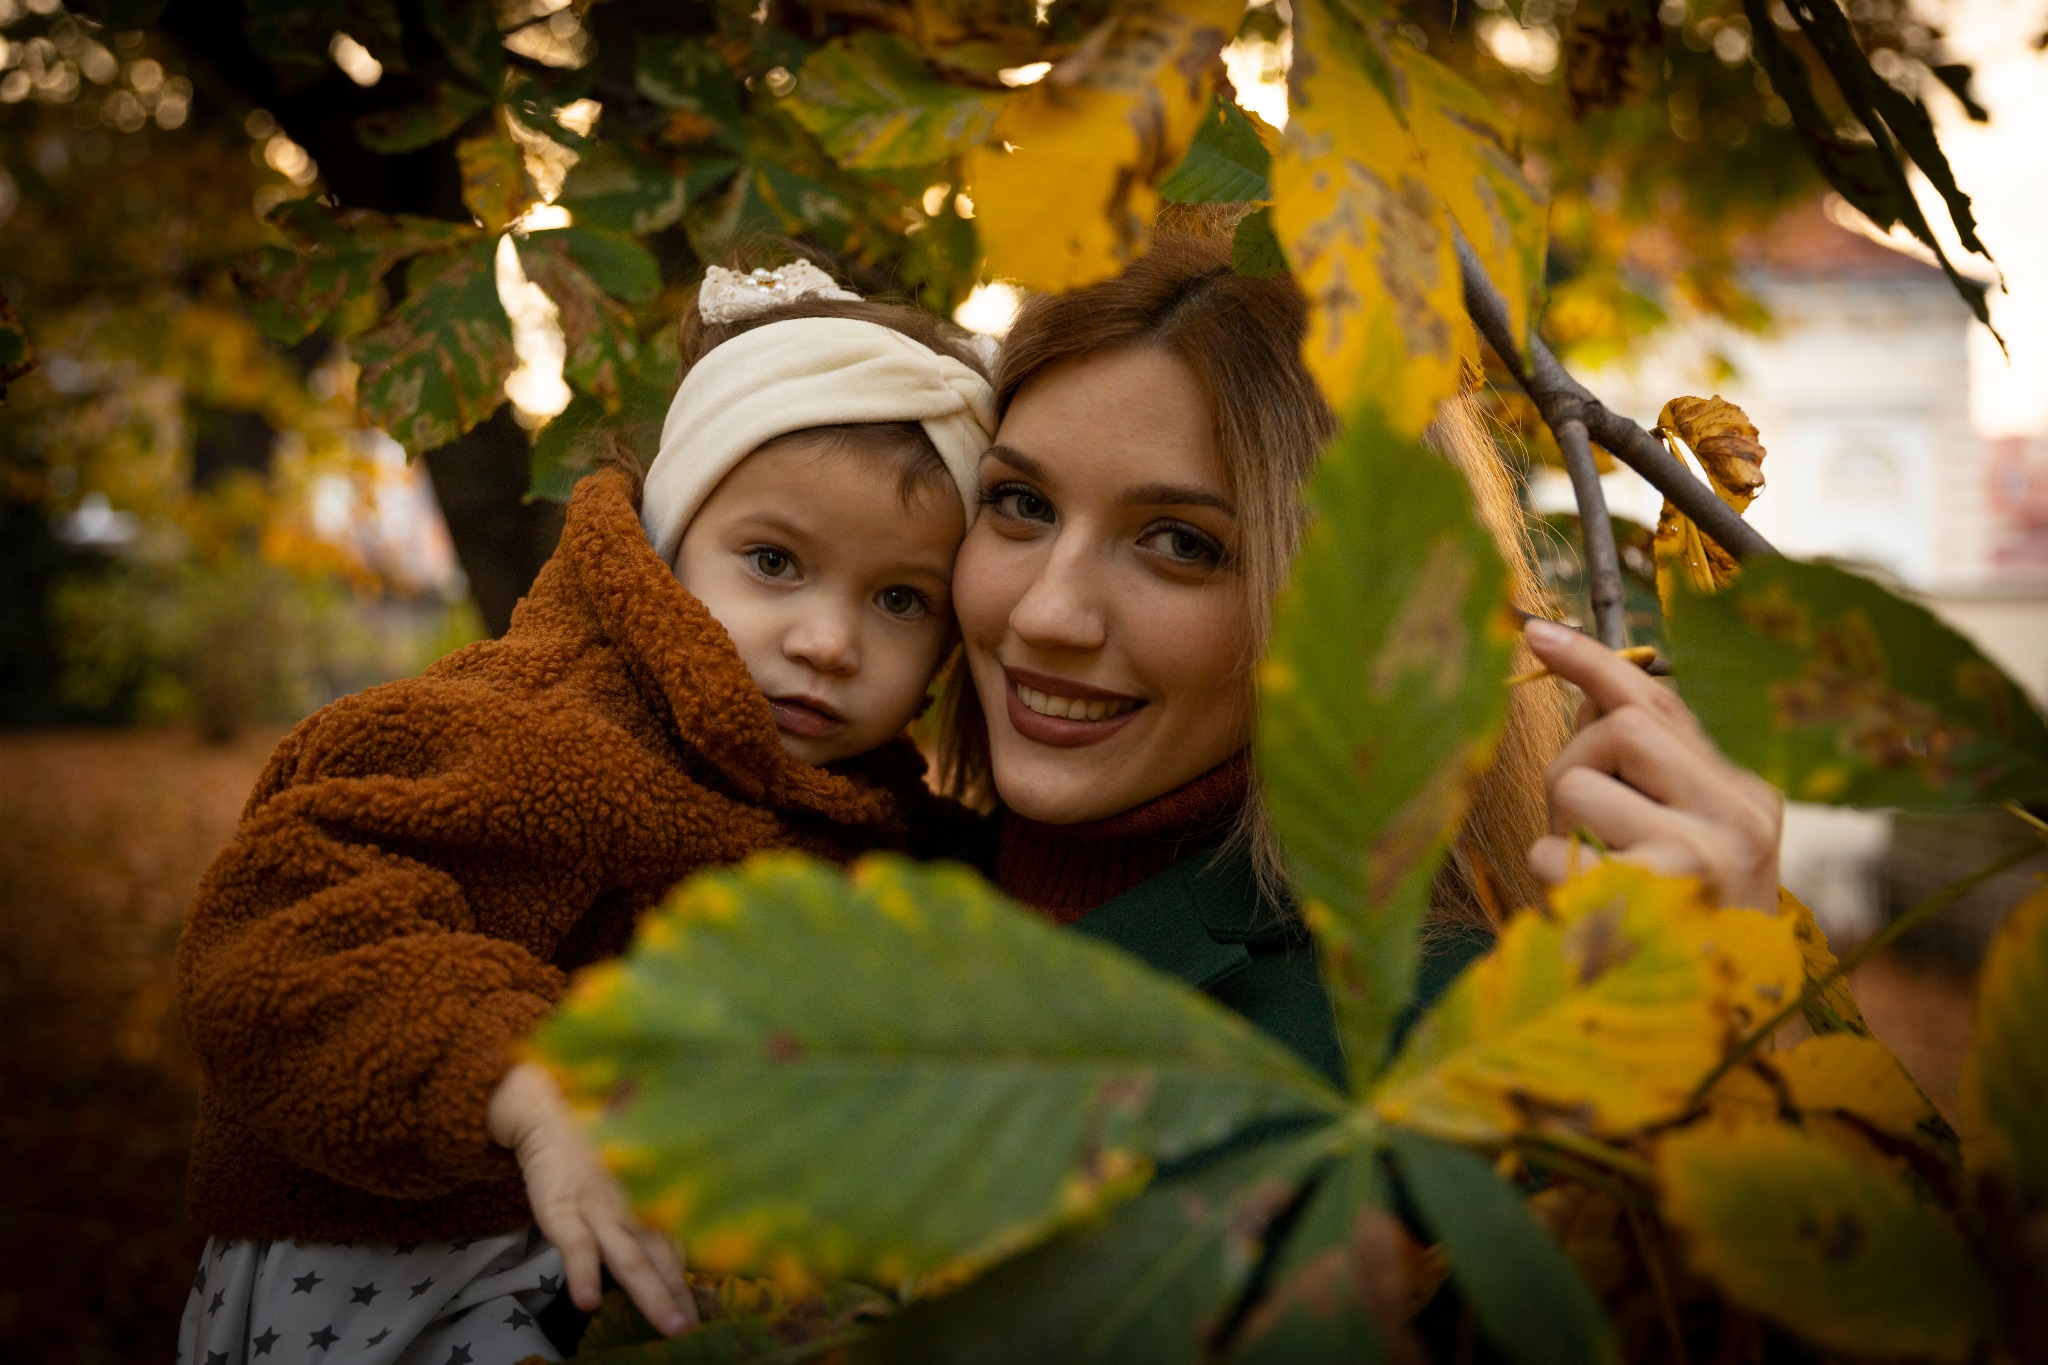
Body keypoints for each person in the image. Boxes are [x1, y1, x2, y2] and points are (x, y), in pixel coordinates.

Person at [173, 261, 997, 1365]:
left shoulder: (863, 814)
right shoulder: (537, 725)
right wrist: (517, 1080)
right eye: (773, 562)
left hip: (623, 1282)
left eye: (899, 599)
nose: (827, 640)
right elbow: (287, 930)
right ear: (667, 541)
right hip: (397, 1255)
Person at [931, 217, 1783, 1084]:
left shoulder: (1445, 1034)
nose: (1046, 613)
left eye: (1183, 544)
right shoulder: (853, 865)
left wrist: (1726, 1047)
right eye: (1022, 503)